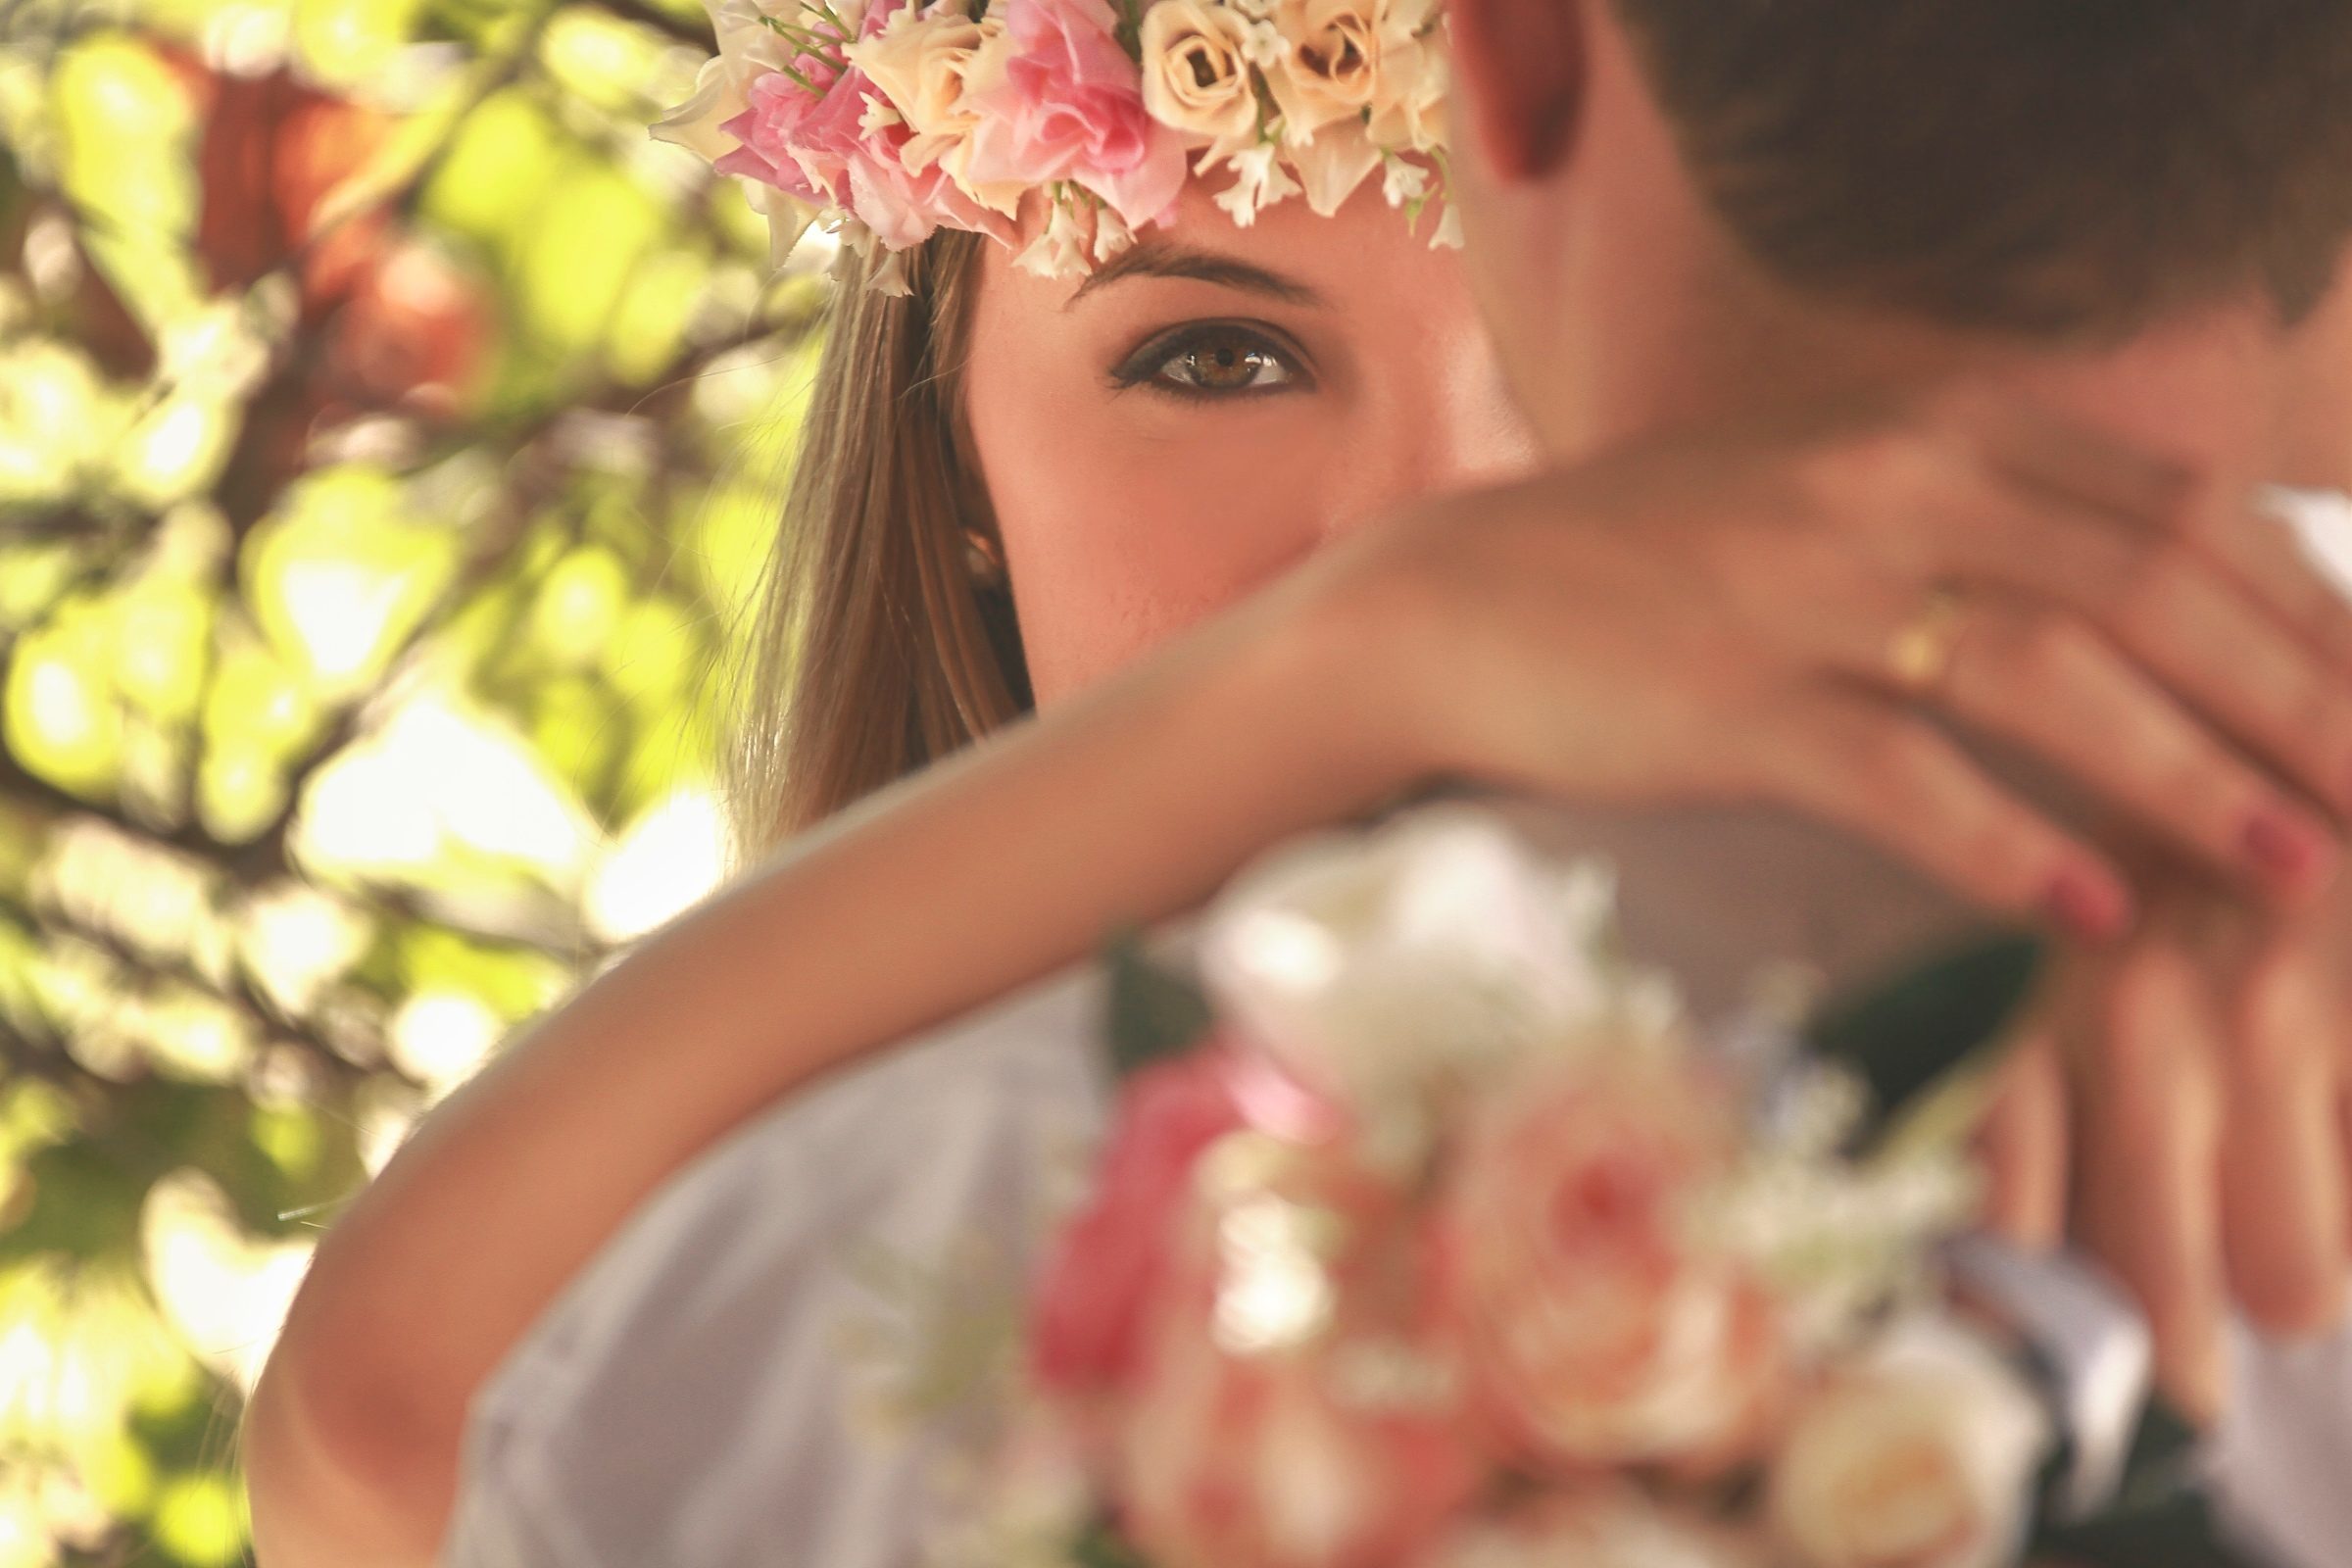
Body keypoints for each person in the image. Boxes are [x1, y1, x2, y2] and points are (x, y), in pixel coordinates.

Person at [240, 0, 2352, 1562]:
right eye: (1214, 354)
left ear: (1533, 86)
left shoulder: (829, 1289)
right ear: (948, 456)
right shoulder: (844, 1228)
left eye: (1523, 386)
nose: (1434, 514)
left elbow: (417, 1426)